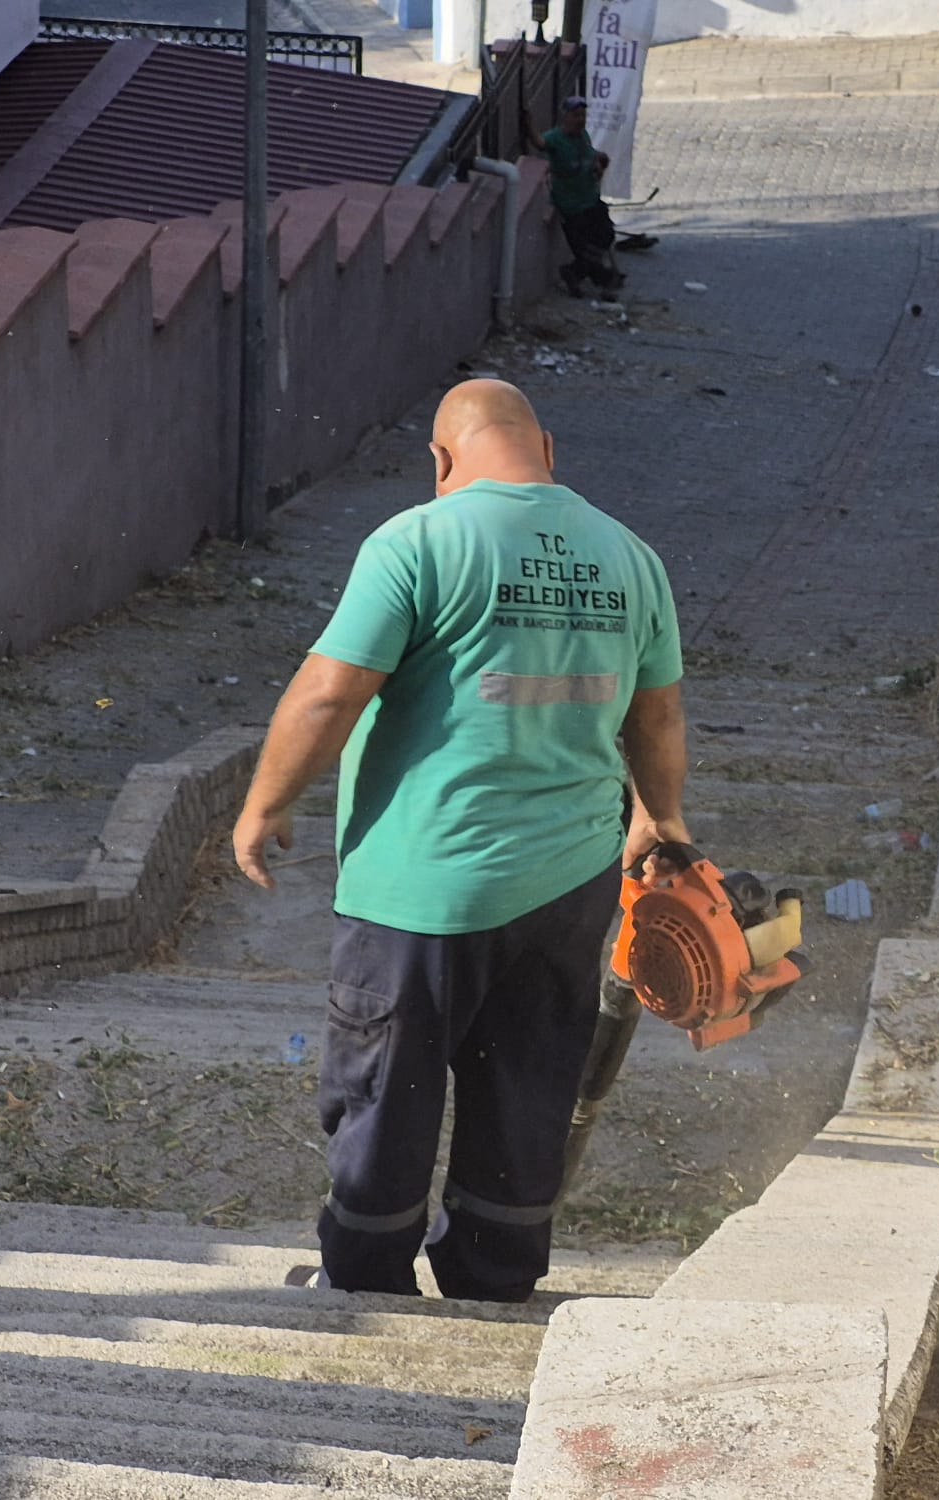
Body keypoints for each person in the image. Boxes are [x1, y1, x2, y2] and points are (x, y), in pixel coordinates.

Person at [231, 378, 688, 1303]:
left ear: (441, 461)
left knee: (386, 1088)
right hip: (571, 883)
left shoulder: (419, 541)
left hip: (426, 883)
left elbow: (329, 691)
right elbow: (659, 712)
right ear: (546, 450)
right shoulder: (630, 556)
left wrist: (265, 804)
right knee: (529, 1083)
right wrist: (660, 816)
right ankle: (494, 1277)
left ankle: (361, 1284)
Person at [530, 96, 622, 297]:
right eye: (576, 115)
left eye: (583, 115)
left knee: (605, 234)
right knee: (583, 247)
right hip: (571, 205)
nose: (580, 120)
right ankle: (602, 279)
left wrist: (599, 160)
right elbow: (539, 142)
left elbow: (589, 155)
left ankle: (575, 273)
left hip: (589, 198)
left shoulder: (583, 137)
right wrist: (527, 122)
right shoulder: (556, 138)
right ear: (566, 117)